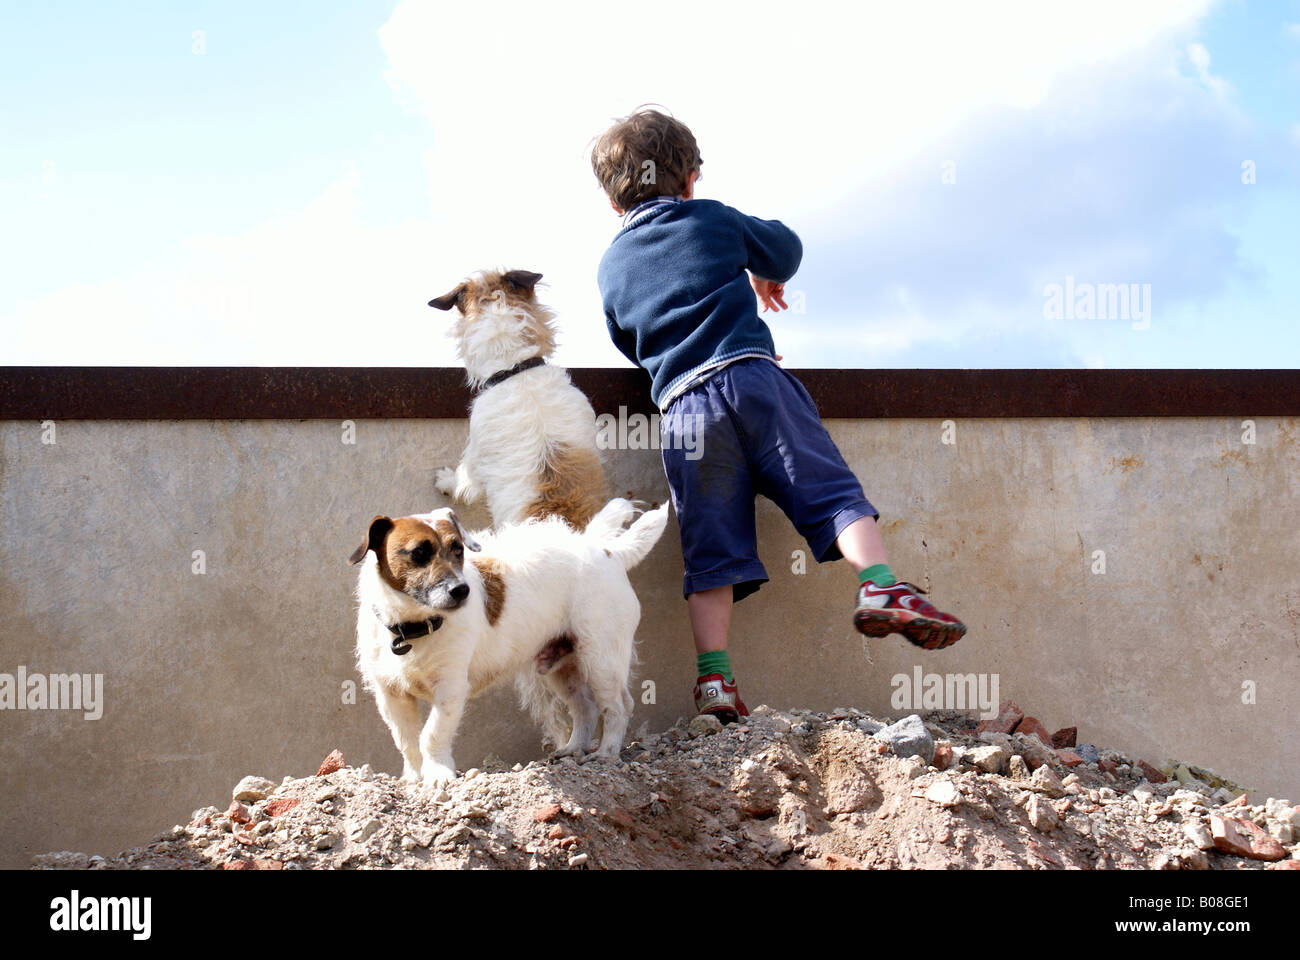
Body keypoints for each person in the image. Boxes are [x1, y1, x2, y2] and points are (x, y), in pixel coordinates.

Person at [591, 107, 966, 723]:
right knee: (833, 493)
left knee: (709, 551)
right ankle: (880, 584)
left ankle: (714, 684)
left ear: (613, 204)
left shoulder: (610, 267)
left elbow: (627, 341)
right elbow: (786, 248)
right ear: (690, 177)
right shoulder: (711, 218)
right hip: (753, 381)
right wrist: (758, 272)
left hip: (684, 411)